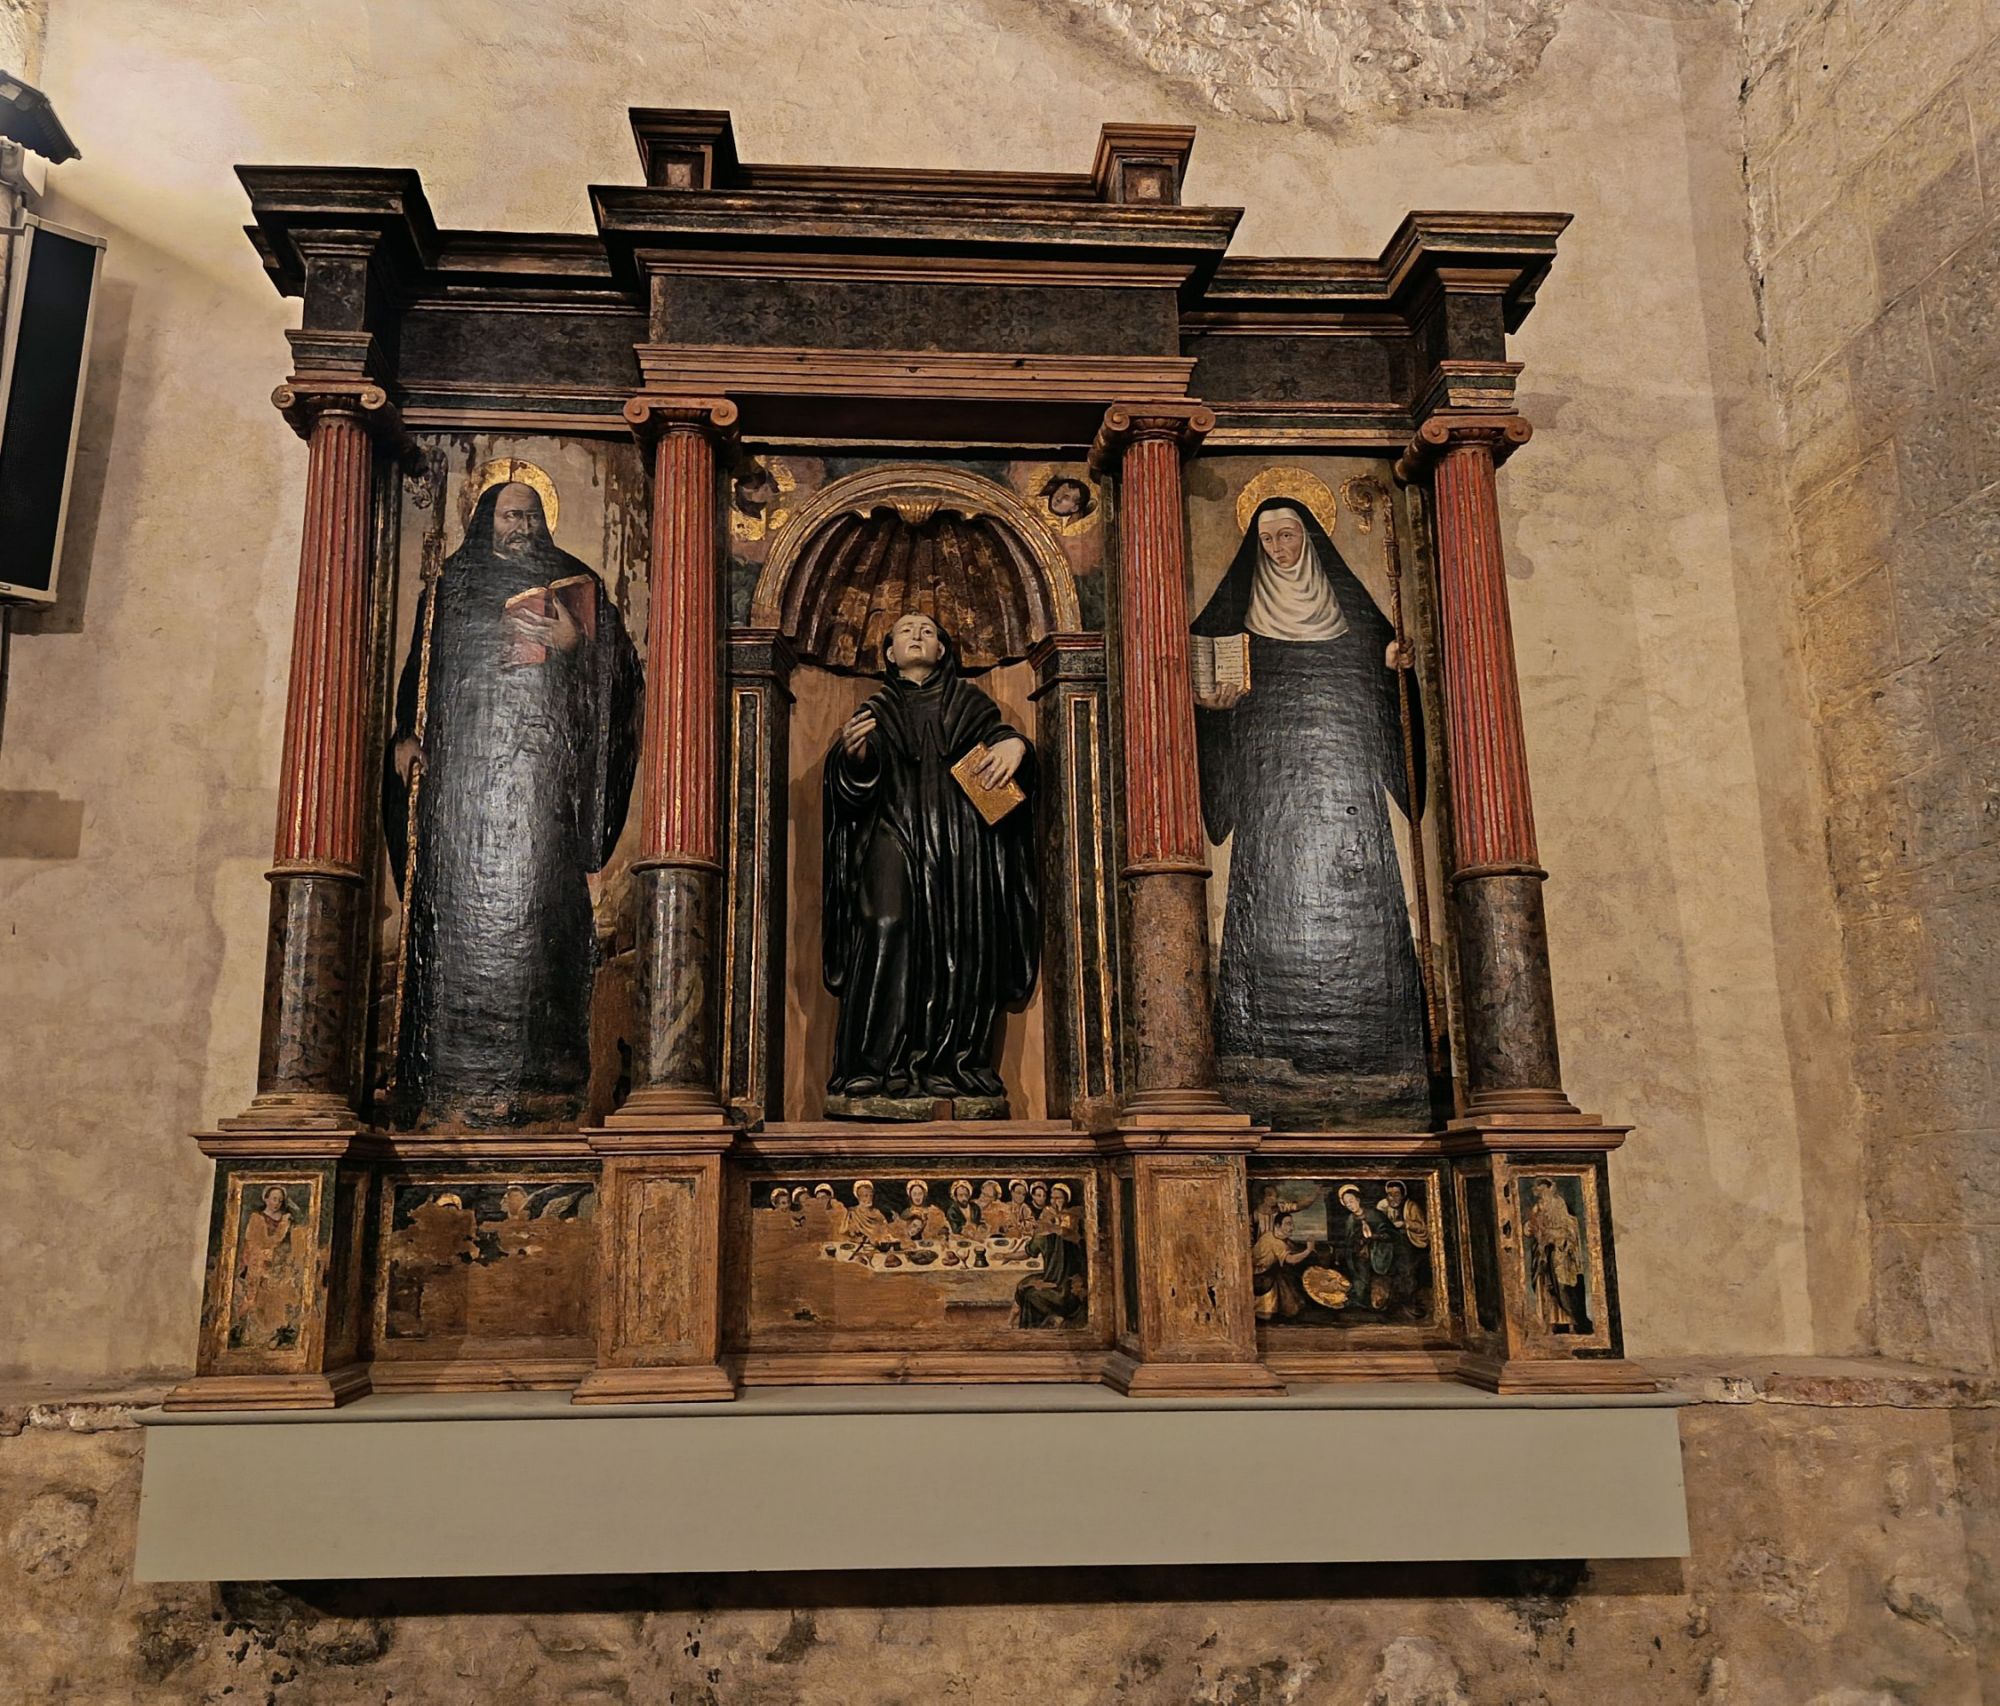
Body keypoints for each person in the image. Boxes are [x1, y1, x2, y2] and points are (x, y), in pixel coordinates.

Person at [384, 478, 641, 1129]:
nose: (520, 528)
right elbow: (421, 673)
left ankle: (551, 1072)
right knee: (455, 913)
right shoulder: (451, 587)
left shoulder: (575, 583)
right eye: (509, 516)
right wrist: (406, 736)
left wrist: (576, 647)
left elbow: (624, 682)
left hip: (544, 781)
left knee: (544, 907)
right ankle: (445, 1075)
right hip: (465, 782)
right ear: (485, 521)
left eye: (530, 517)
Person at [1192, 497, 1426, 1122]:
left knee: (1359, 899)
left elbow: (1385, 692)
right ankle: (1264, 1047)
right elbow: (1195, 689)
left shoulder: (1352, 615)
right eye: (1268, 539)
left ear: (1310, 537)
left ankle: (1375, 1052)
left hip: (1343, 797)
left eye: (1288, 536)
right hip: (1269, 793)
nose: (1279, 549)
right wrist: (1211, 711)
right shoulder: (1234, 615)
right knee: (1271, 898)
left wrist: (1393, 668)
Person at [822, 611, 1039, 1104]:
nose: (917, 636)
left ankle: (951, 1062)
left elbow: (1002, 757)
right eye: (905, 631)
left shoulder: (971, 704)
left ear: (942, 650)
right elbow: (848, 797)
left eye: (927, 631)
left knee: (960, 939)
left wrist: (1016, 747)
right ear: (890, 654)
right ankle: (870, 1065)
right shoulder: (874, 711)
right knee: (885, 924)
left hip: (960, 844)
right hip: (892, 830)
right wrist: (853, 759)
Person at [233, 1184, 306, 1348]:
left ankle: (275, 1334)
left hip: (278, 1266)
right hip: (258, 1265)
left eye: (280, 1200)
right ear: (266, 1199)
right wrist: (281, 1229)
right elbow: (257, 1243)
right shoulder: (257, 1218)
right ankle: (254, 1336)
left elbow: (293, 1242)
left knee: (276, 1299)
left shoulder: (286, 1219)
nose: (277, 1203)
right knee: (257, 1299)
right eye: (274, 1199)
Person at [1527, 1178, 1591, 1333]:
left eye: (1544, 1190)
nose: (1542, 1194)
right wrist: (1533, 1229)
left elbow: (1570, 1229)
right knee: (1545, 1286)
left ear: (1550, 1189)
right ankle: (1550, 1322)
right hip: (1543, 1253)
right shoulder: (1537, 1208)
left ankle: (1569, 1321)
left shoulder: (1560, 1205)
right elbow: (1530, 1228)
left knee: (1562, 1288)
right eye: (1539, 1191)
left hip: (1559, 1254)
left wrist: (1555, 1237)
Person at [1251, 1209, 1315, 1320]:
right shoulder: (1276, 1243)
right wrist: (1308, 1251)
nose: (1292, 1228)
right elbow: (1291, 1260)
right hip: (1262, 1278)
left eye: (1292, 1224)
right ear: (1277, 1225)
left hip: (1265, 1273)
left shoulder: (1270, 1235)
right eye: (1288, 1224)